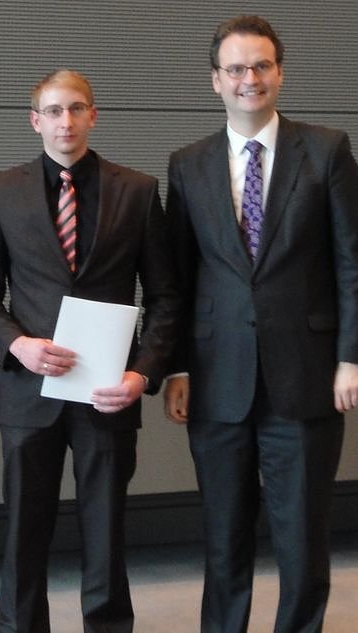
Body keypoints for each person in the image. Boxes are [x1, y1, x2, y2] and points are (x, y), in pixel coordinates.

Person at [164, 15, 358, 633]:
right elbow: (177, 278)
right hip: (217, 379)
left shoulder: (326, 150)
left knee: (301, 539)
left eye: (262, 66)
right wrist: (177, 367)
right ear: (215, 80)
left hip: (306, 377)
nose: (250, 78)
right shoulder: (187, 164)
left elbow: (352, 262)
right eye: (236, 68)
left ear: (280, 72)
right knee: (223, 538)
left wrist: (351, 356)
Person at [0, 69, 179, 633]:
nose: (66, 121)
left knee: (106, 532)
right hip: (29, 391)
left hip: (108, 393)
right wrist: (17, 344)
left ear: (93, 115)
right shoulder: (2, 189)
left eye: (76, 108)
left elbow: (165, 297)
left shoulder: (137, 191)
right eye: (54, 111)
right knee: (23, 532)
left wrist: (143, 374)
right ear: (35, 120)